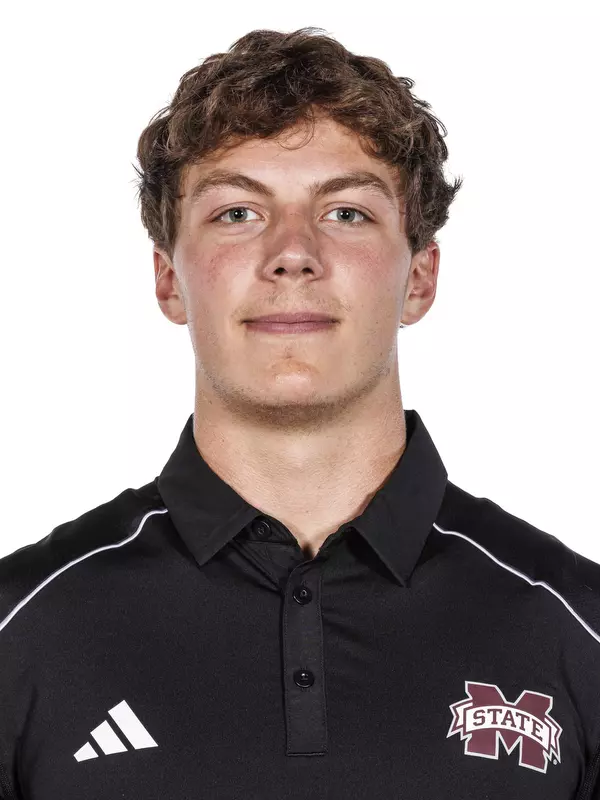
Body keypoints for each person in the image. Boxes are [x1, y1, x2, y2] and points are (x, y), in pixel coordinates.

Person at [0, 27, 598, 800]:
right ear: (169, 281)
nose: (292, 252)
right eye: (238, 213)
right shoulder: (22, 632)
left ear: (419, 278)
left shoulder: (575, 630)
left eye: (346, 213)